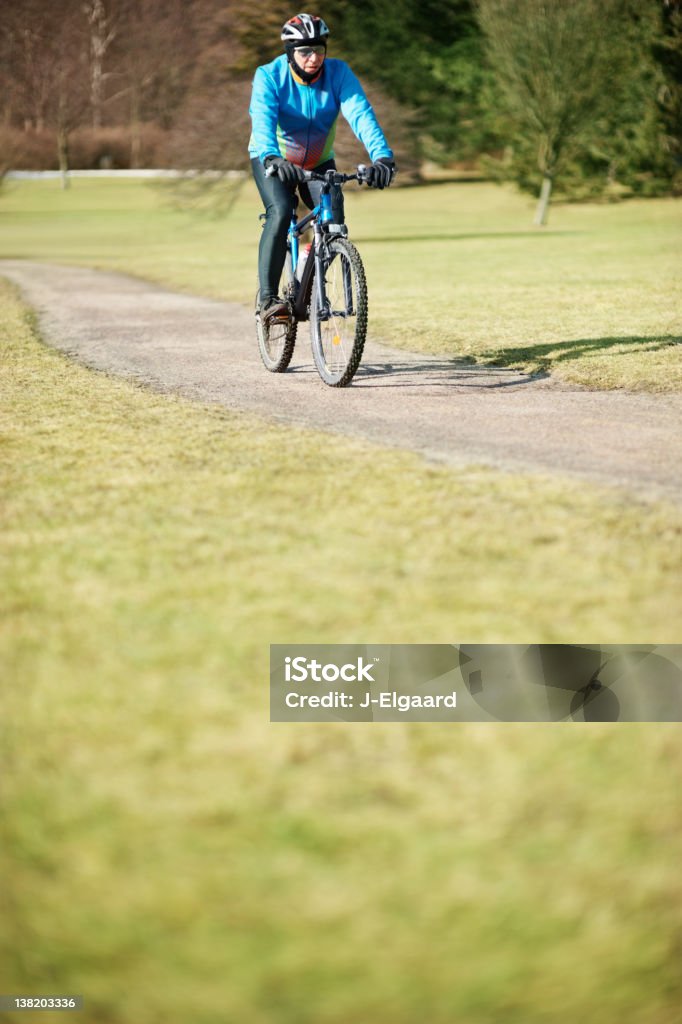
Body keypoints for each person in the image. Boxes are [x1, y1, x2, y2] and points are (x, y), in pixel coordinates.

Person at [249, 12, 396, 322]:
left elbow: (361, 114)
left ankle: (305, 275)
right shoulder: (270, 75)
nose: (313, 57)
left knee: (333, 223)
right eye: (304, 51)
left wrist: (381, 157)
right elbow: (262, 120)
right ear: (290, 53)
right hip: (273, 159)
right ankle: (268, 300)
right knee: (280, 210)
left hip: (318, 161)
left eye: (318, 49)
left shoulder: (338, 73)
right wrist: (271, 156)